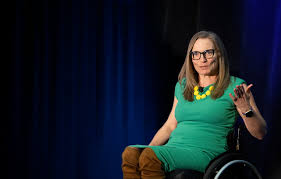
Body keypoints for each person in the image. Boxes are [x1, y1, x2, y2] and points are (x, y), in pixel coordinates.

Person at [121, 31, 267, 179]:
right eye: (196, 54)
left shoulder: (235, 86)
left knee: (149, 157)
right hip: (175, 148)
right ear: (190, 58)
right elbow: (170, 126)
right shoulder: (183, 85)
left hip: (207, 153)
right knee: (131, 153)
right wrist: (149, 150)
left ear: (219, 55)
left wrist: (245, 109)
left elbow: (260, 133)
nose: (202, 59)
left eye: (208, 53)